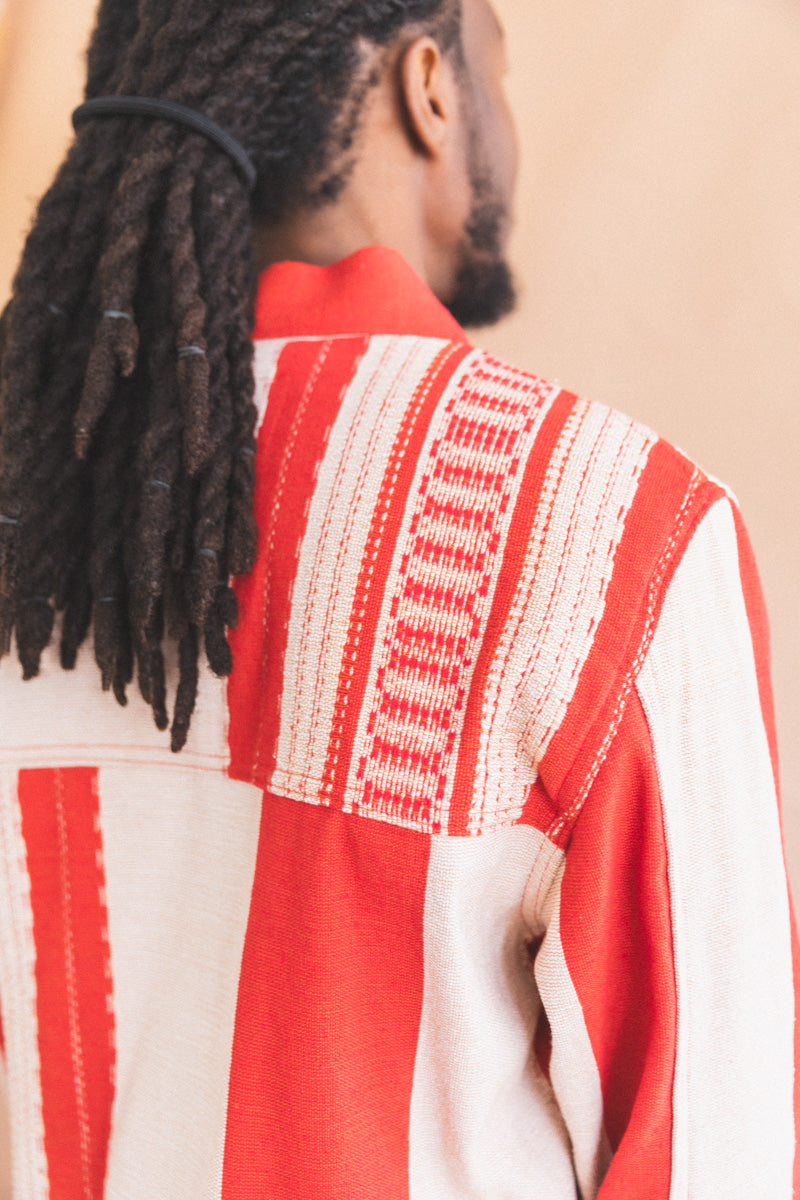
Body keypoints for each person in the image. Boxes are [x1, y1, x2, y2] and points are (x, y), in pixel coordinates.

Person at [0, 0, 796, 1196]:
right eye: (496, 69)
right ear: (428, 88)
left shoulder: (33, 524)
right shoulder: (612, 530)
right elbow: (713, 1156)